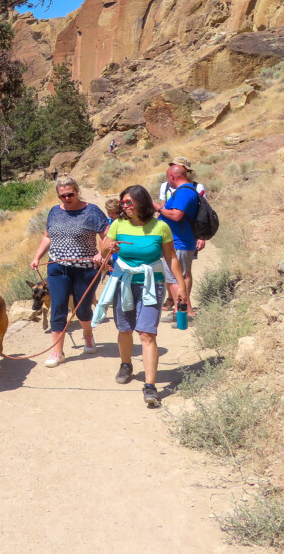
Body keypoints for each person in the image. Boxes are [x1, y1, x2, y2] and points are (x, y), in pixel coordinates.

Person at [96, 184, 187, 407]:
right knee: (124, 329)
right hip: (123, 282)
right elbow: (103, 252)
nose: (124, 206)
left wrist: (181, 286)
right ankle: (126, 364)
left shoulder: (160, 227)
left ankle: (150, 386)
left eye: (129, 202)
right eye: (122, 202)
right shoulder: (117, 224)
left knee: (147, 334)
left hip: (151, 283)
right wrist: (111, 248)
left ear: (141, 203)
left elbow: (171, 258)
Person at [30, 175, 109, 367]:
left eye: (70, 194)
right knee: (58, 307)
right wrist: (37, 256)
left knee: (82, 308)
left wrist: (102, 254)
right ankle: (58, 352)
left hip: (85, 268)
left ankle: (88, 336)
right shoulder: (54, 212)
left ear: (77, 191)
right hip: (57, 267)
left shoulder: (92, 211)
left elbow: (107, 235)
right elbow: (48, 237)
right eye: (62, 196)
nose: (66, 198)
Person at [155, 158, 201, 315]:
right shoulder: (188, 190)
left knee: (175, 279)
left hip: (179, 242)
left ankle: (184, 313)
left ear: (172, 177)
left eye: (168, 177)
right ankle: (181, 311)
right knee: (179, 276)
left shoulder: (183, 193)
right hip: (181, 241)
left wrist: (158, 209)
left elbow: (176, 215)